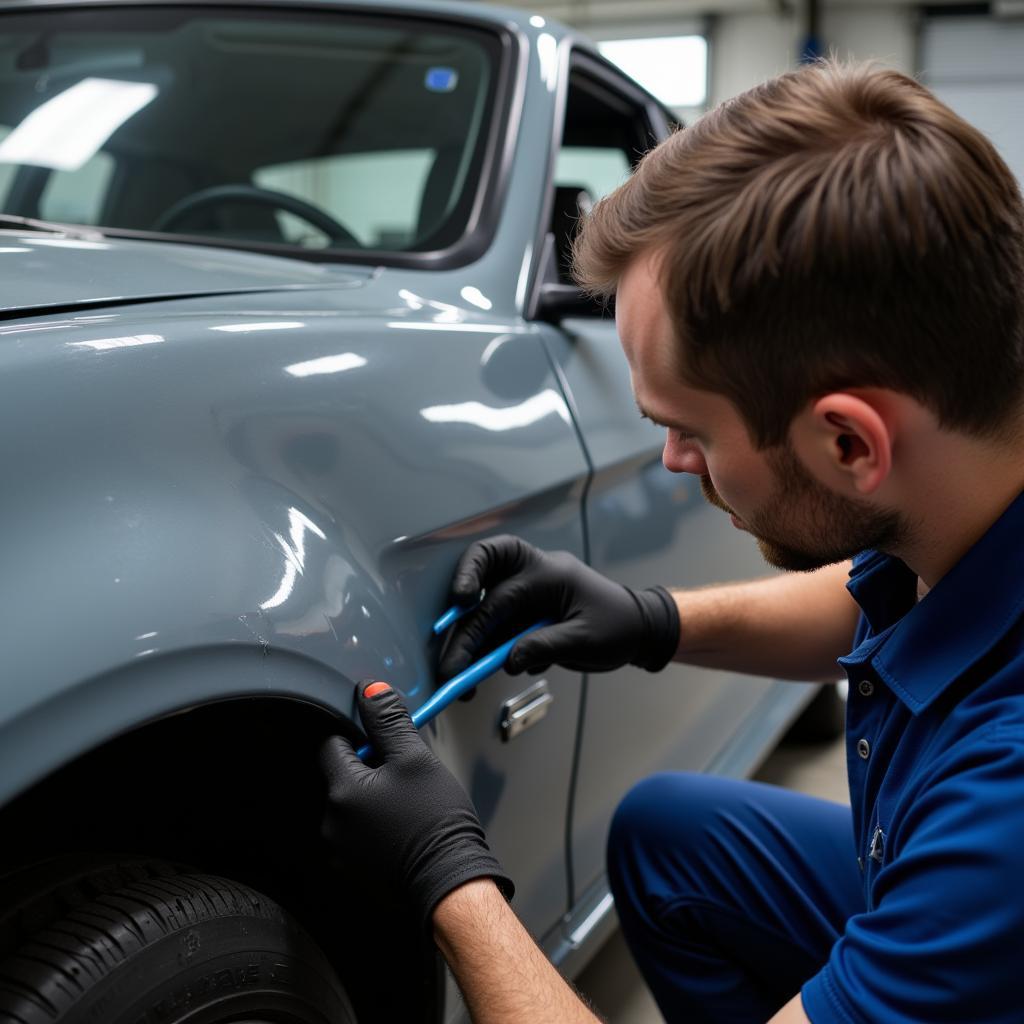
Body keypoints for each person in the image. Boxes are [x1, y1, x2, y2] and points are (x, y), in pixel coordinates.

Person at [318, 59, 1024, 1023]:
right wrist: (649, 621)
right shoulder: (972, 479)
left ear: (851, 440)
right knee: (669, 836)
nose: (670, 460)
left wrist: (449, 880)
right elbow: (891, 595)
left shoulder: (1002, 814)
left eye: (691, 428)